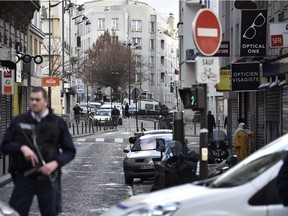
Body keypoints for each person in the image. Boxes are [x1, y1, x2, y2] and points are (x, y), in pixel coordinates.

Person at [1, 87, 76, 216]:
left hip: (49, 177)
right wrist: (21, 148)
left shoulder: (58, 123)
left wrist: (55, 164)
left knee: (50, 212)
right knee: (16, 213)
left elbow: (70, 151)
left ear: (45, 101)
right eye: (31, 100)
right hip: (24, 175)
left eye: (37, 99)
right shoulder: (19, 121)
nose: (34, 102)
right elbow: (5, 146)